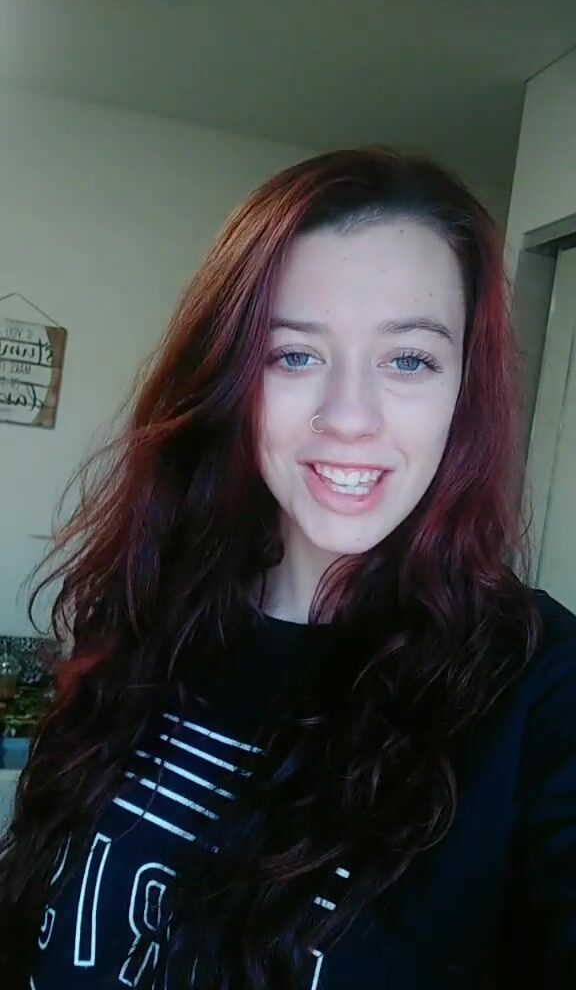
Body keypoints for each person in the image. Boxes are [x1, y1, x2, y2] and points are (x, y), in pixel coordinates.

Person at [0, 147, 575, 989]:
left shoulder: (540, 685)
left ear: (464, 391)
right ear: (230, 378)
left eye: (408, 360)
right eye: (295, 355)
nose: (349, 418)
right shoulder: (152, 603)